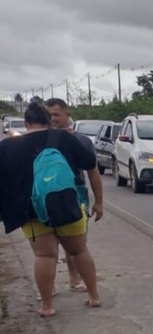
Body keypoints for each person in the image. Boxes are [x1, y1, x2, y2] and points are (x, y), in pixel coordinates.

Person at [0, 102, 103, 317]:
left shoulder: (8, 146)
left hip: (32, 211)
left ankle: (47, 306)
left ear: (27, 123)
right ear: (49, 121)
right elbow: (91, 165)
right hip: (66, 205)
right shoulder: (64, 139)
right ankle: (93, 296)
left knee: (45, 256)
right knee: (79, 250)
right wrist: (98, 201)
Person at [44, 97, 97, 293]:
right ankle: (47, 287)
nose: (52, 119)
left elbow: (92, 171)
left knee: (75, 243)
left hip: (75, 194)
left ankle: (74, 279)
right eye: (48, 115)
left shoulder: (81, 140)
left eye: (56, 114)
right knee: (46, 244)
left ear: (67, 114)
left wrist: (98, 201)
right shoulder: (38, 138)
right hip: (45, 195)